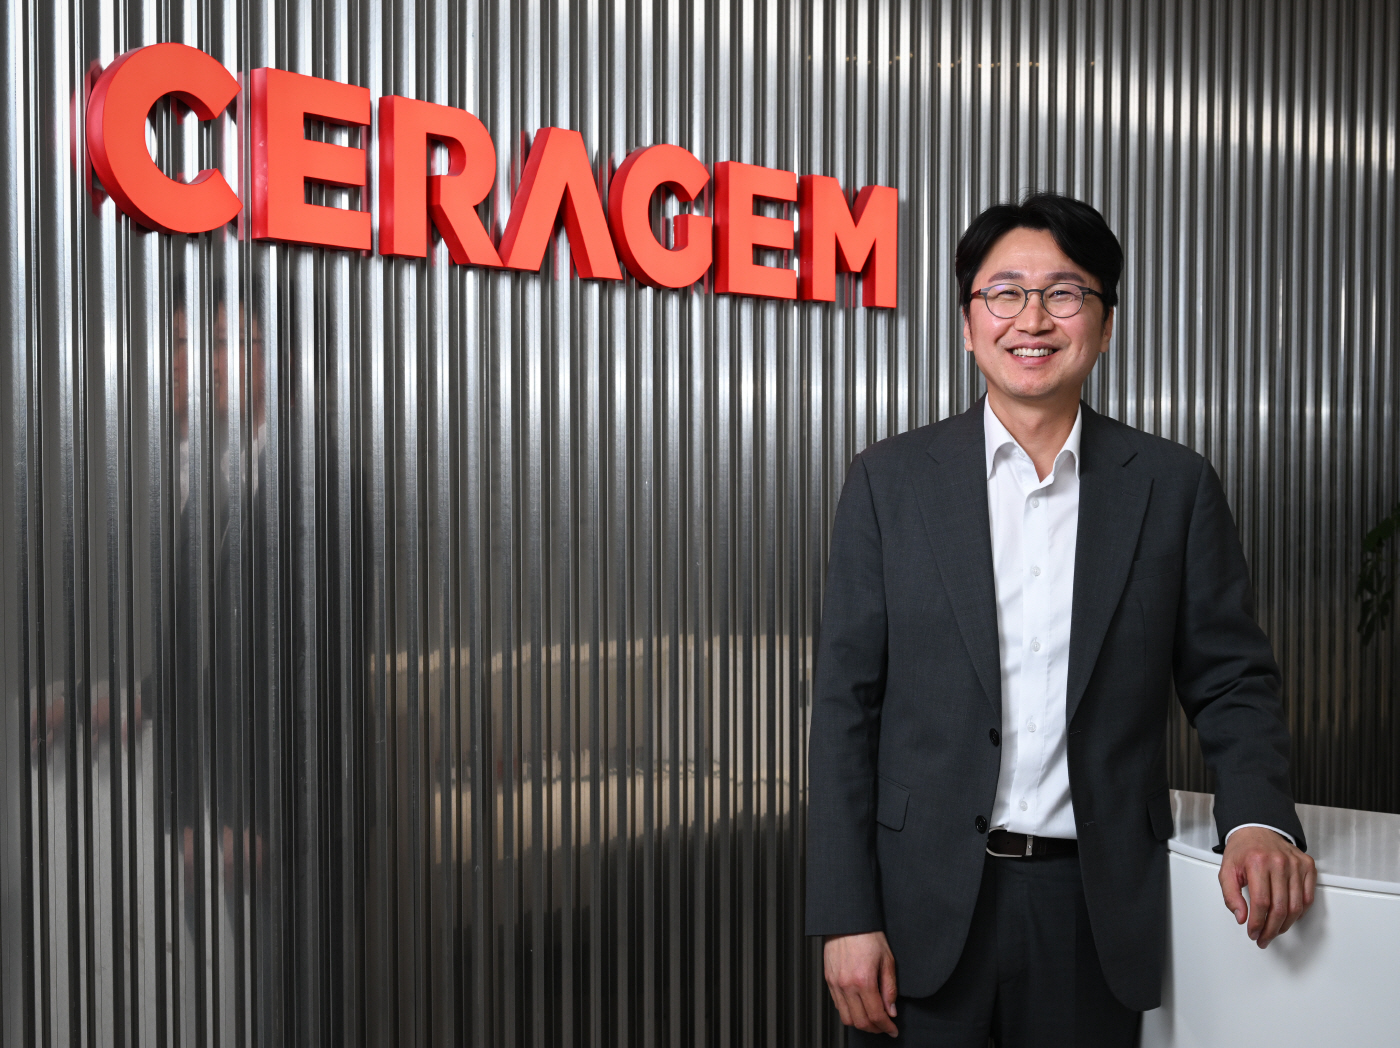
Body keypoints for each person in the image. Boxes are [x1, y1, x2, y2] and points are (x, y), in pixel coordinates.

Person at [805, 194, 1317, 1047]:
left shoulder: (1173, 487)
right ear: (968, 325)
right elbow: (844, 708)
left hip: (1095, 908)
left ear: (1105, 325)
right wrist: (844, 913)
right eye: (1004, 293)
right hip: (916, 906)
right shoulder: (888, 483)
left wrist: (1258, 818)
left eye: (1065, 293)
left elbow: (1232, 680)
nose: (1033, 319)